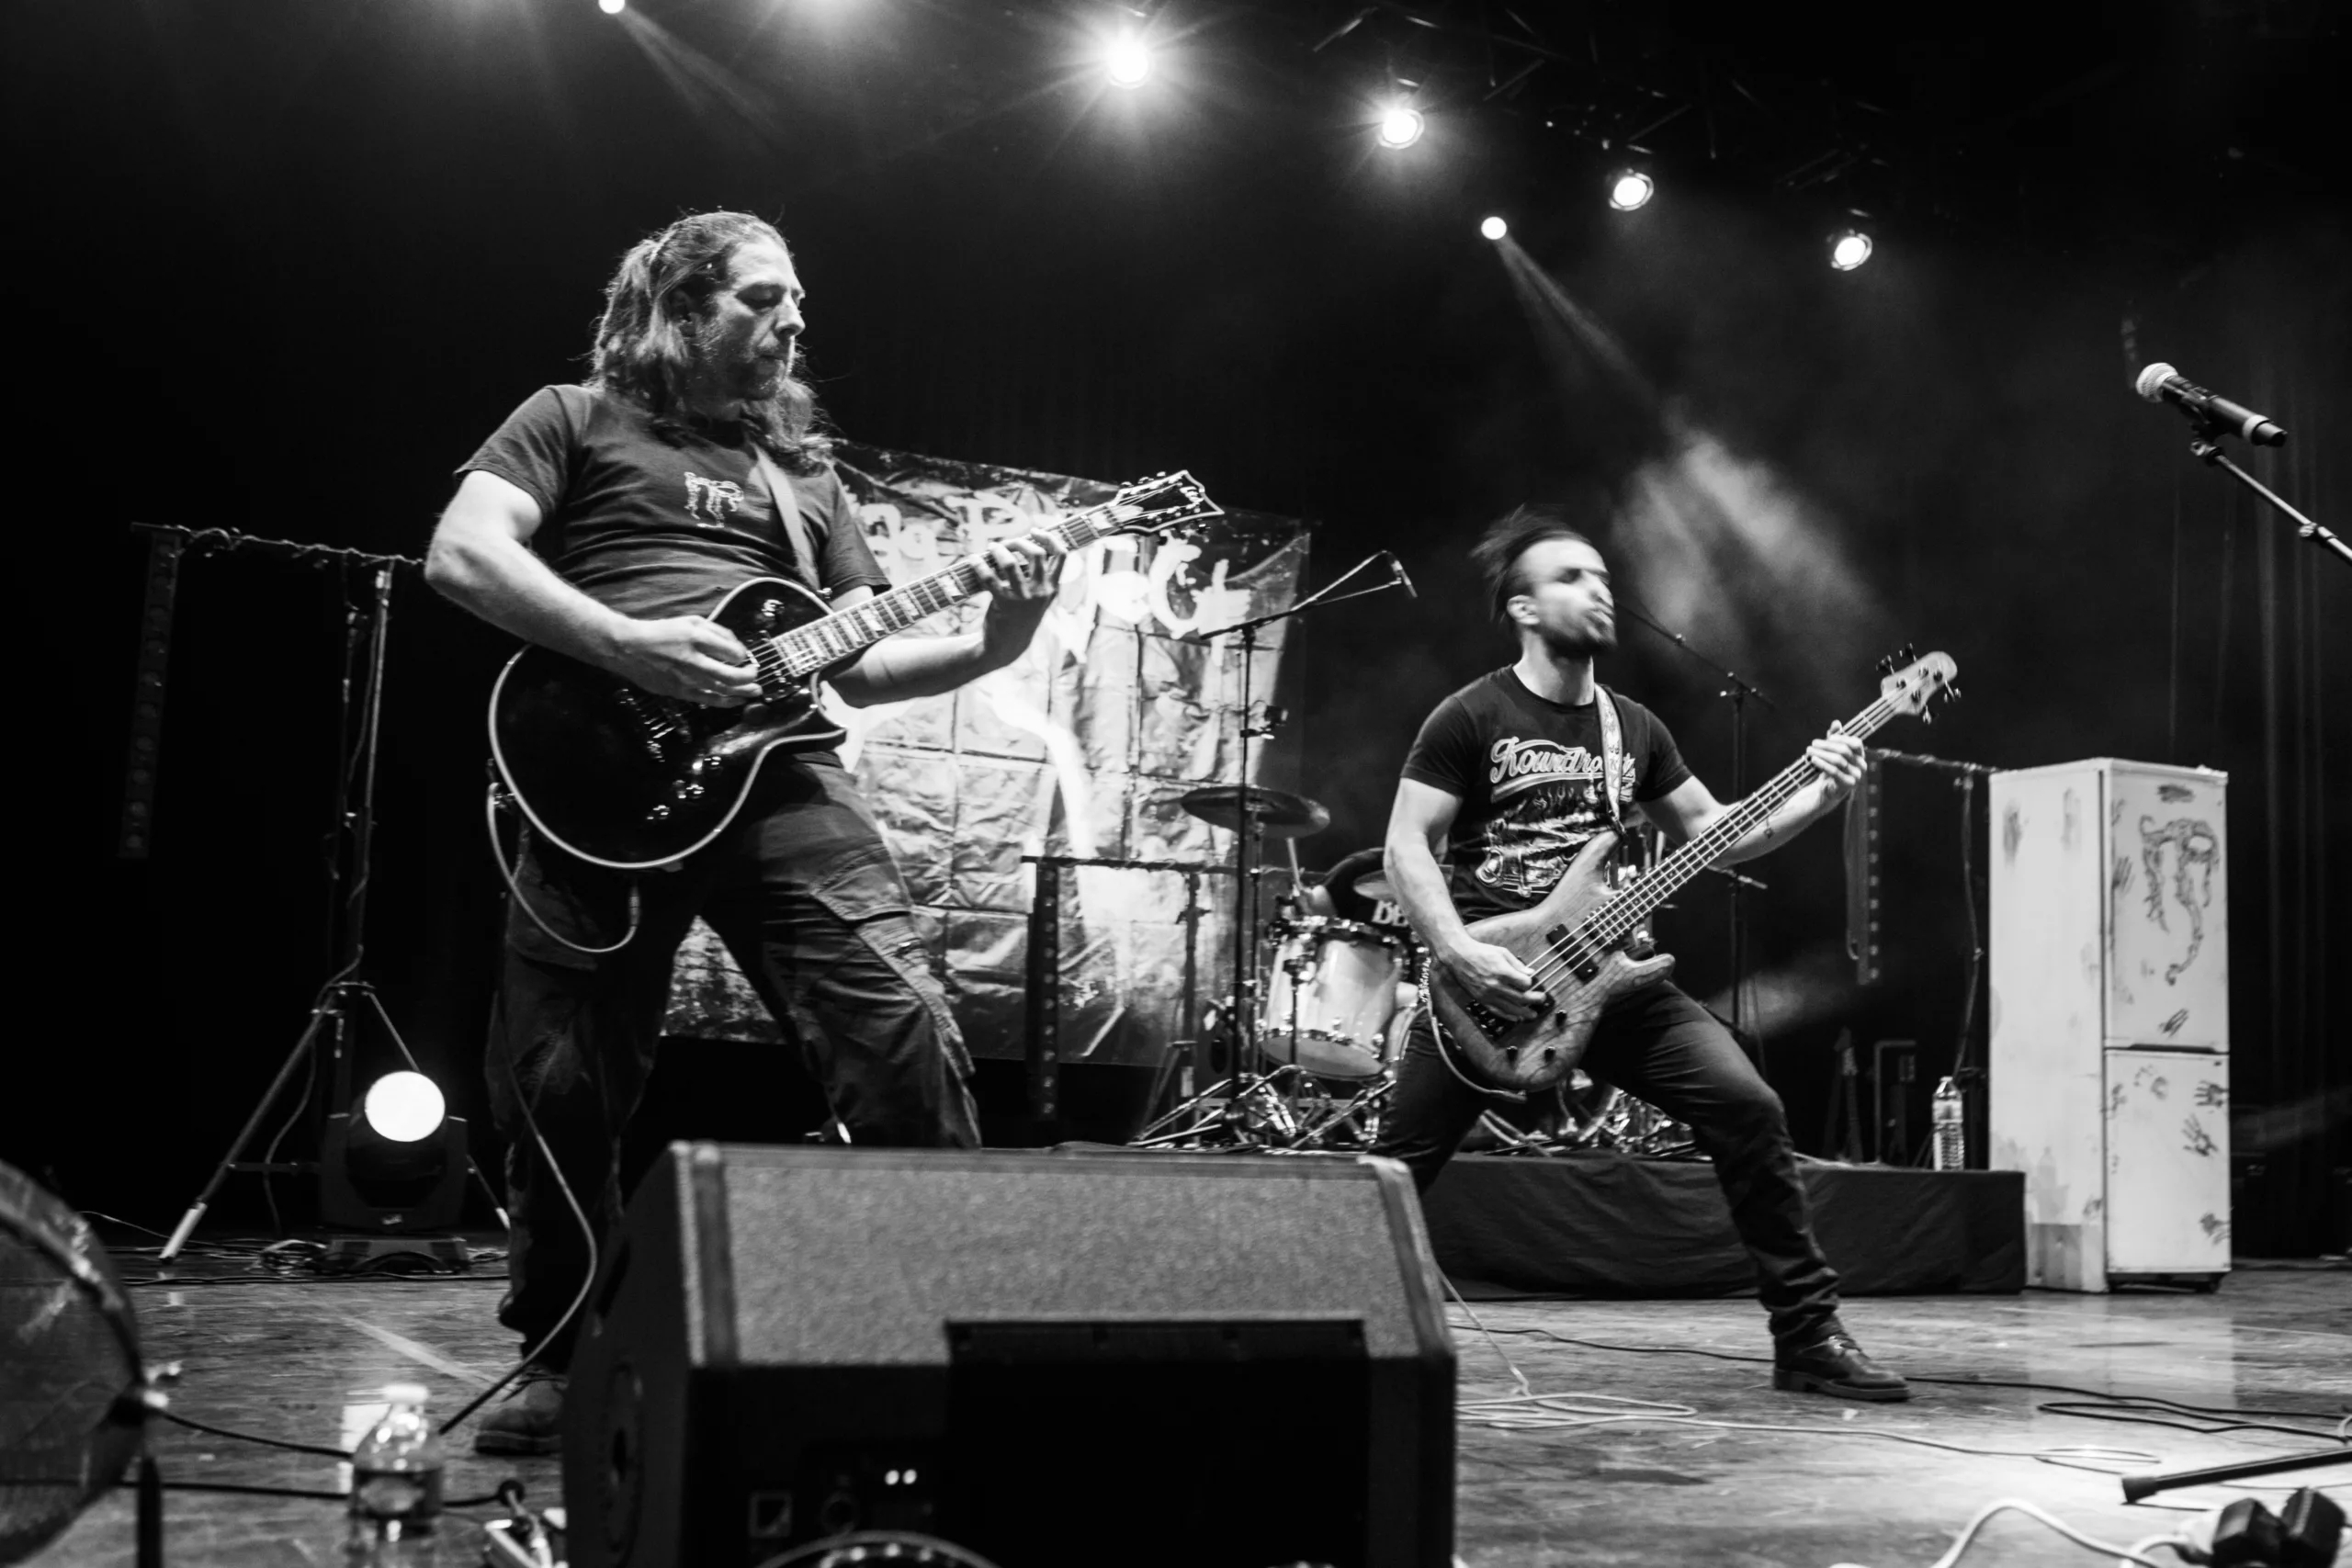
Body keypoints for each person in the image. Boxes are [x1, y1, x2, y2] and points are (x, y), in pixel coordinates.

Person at [424, 211, 1065, 1452]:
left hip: (778, 777)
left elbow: (862, 665)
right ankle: (559, 1351)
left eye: (799, 302)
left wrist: (1002, 638)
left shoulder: (804, 480)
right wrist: (626, 642)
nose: (794, 320)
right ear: (680, 306)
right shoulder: (571, 419)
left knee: (902, 1029)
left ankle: (939, 1337)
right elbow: (462, 554)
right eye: (764, 298)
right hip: (591, 776)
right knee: (560, 1081)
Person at [1371, 502, 1909, 1402]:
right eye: (1571, 576)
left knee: (1748, 1106)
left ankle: (1808, 1334)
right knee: (1391, 1170)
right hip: (1492, 987)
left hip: (1613, 982)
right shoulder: (1470, 716)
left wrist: (1821, 794)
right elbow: (1404, 847)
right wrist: (1459, 952)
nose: (1600, 588)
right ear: (1524, 608)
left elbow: (1719, 835)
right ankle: (1323, 1322)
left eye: (1603, 575)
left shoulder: (1634, 728)